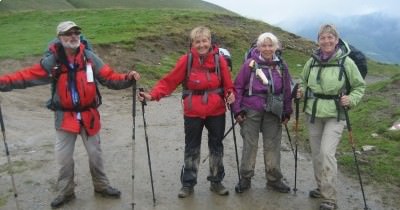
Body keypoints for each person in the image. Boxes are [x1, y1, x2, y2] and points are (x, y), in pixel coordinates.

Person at [0, 21, 140, 208]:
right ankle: (66, 191)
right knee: (64, 159)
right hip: (64, 118)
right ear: (59, 37)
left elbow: (109, 77)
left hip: (89, 116)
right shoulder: (53, 61)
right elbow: (26, 76)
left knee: (95, 155)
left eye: (76, 32)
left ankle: (101, 186)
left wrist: (127, 78)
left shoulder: (89, 57)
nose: (73, 36)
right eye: (68, 33)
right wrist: (2, 82)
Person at [138, 26, 235, 198]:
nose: (201, 45)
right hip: (193, 112)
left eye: (204, 41)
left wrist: (230, 94)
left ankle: (216, 182)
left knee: (216, 146)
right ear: (192, 43)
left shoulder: (220, 61)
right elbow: (169, 81)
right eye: (197, 41)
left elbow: (228, 84)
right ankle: (188, 183)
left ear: (210, 42)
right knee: (192, 148)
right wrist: (152, 95)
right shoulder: (186, 60)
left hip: (216, 111)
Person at [296, 24, 365, 210]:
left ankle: (330, 199)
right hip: (313, 113)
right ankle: (321, 187)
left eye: (330, 38)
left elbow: (359, 86)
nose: (326, 41)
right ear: (318, 40)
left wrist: (351, 99)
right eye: (323, 38)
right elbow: (302, 79)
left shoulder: (346, 62)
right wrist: (301, 90)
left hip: (335, 114)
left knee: (327, 153)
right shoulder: (312, 61)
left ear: (336, 39)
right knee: (317, 155)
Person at [232, 32, 293, 194]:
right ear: (258, 47)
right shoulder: (249, 64)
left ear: (276, 47)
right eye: (264, 45)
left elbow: (287, 90)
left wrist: (287, 112)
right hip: (250, 109)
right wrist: (237, 110)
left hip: (273, 111)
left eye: (270, 45)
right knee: (250, 145)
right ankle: (245, 178)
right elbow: (237, 87)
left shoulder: (281, 65)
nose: (267, 49)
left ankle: (274, 179)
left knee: (272, 145)